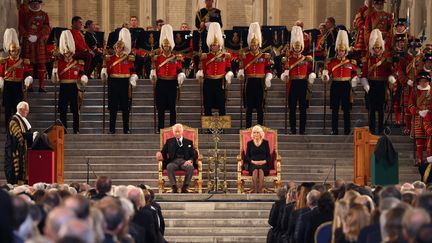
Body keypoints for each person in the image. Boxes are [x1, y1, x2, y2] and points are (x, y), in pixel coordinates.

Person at [101, 28, 138, 134]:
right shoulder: (110, 59)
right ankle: (112, 128)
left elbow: (132, 71)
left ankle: (126, 128)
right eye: (117, 47)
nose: (119, 49)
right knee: (113, 107)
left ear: (123, 48)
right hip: (113, 83)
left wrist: (133, 78)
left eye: (120, 47)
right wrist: (104, 72)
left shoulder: (128, 58)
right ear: (115, 48)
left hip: (124, 83)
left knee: (125, 107)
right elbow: (106, 72)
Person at [322, 30, 358, 135]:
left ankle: (347, 130)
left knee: (346, 109)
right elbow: (327, 73)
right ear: (337, 51)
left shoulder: (351, 62)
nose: (341, 52)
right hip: (336, 85)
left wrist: (355, 79)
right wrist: (325, 76)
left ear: (345, 51)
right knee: (335, 109)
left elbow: (354, 73)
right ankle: (334, 129)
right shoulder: (332, 62)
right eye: (339, 51)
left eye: (343, 51)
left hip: (346, 85)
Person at [52, 30, 89, 134]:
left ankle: (76, 128)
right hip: (63, 87)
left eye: (69, 52)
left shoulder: (78, 63)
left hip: (74, 87)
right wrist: (54, 71)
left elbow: (81, 73)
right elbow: (55, 80)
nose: (67, 53)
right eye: (65, 52)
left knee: (75, 110)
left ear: (72, 52)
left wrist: (83, 78)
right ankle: (63, 129)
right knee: (63, 110)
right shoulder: (58, 63)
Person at [150, 24, 186, 132]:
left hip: (171, 83)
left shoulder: (175, 58)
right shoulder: (157, 58)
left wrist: (181, 75)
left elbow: (179, 70)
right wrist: (152, 74)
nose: (166, 47)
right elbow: (154, 69)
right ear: (162, 46)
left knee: (172, 108)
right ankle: (160, 128)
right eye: (164, 46)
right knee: (160, 108)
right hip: (161, 83)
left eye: (168, 46)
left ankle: (172, 128)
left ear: (170, 46)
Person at [281, 26, 315, 135]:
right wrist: (285, 74)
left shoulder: (306, 59)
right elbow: (284, 72)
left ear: (301, 47)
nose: (296, 48)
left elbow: (310, 70)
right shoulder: (288, 59)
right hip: (293, 84)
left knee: (303, 109)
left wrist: (311, 76)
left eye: (298, 46)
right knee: (292, 109)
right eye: (295, 46)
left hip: (303, 84)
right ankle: (293, 129)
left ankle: (302, 130)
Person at [238, 22, 273, 128]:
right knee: (249, 108)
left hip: (260, 83)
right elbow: (241, 68)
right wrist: (240, 73)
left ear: (259, 45)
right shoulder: (245, 56)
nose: (254, 47)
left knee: (260, 107)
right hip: (249, 82)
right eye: (252, 45)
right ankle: (248, 127)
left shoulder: (265, 56)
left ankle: (260, 127)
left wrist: (268, 77)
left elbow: (268, 69)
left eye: (255, 45)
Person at [361, 29, 395, 135]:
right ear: (373, 48)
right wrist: (365, 84)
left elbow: (390, 70)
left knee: (380, 109)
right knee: (371, 109)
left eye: (379, 48)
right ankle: (371, 129)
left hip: (381, 85)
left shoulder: (385, 60)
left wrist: (390, 78)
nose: (377, 50)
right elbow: (364, 73)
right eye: (375, 48)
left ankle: (381, 129)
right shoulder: (369, 59)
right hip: (371, 85)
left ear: (381, 48)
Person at [196, 22, 233, 117]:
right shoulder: (205, 56)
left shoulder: (225, 56)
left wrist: (229, 73)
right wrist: (200, 73)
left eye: (216, 45)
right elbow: (203, 69)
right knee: (207, 105)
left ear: (219, 45)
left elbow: (228, 67)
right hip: (209, 82)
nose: (214, 47)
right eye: (212, 45)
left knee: (221, 105)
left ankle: (221, 127)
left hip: (220, 82)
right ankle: (209, 128)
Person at [0, 28, 33, 128]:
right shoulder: (4, 61)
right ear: (10, 52)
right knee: (8, 109)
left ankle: (17, 127)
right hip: (8, 86)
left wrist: (28, 78)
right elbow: (1, 74)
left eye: (16, 51)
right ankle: (7, 127)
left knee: (17, 109)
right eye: (12, 51)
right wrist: (1, 80)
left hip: (18, 86)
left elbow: (26, 73)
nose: (14, 52)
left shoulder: (22, 62)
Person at [18, 0, 50, 92]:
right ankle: (30, 85)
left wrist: (38, 35)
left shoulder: (44, 14)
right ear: (29, 4)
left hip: (40, 41)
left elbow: (47, 27)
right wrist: (26, 35)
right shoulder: (25, 14)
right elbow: (20, 26)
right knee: (29, 63)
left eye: (37, 3)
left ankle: (42, 86)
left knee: (41, 64)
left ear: (40, 4)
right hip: (28, 41)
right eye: (33, 3)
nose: (35, 5)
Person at [156, 123, 198, 193]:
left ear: (182, 132)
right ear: (173, 132)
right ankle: (174, 187)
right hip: (173, 162)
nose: (177, 133)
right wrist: (159, 153)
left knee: (190, 167)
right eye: (176, 132)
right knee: (169, 166)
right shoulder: (169, 141)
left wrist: (190, 160)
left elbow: (194, 154)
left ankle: (185, 186)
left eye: (179, 132)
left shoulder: (188, 142)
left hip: (184, 161)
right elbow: (163, 152)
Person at [4, 101, 38, 185]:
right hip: (15, 151)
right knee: (16, 173)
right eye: (26, 110)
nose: (28, 112)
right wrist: (32, 135)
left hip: (23, 151)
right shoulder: (14, 120)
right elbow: (18, 135)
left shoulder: (21, 120)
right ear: (21, 109)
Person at [408, 71, 431, 165]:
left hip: (430, 117)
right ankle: (420, 159)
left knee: (429, 140)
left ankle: (429, 159)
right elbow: (410, 106)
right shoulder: (415, 91)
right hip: (418, 118)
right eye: (421, 81)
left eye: (425, 81)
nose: (423, 82)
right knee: (419, 139)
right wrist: (418, 112)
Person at [244, 125, 271, 193]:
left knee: (261, 170)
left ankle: (260, 190)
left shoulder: (265, 143)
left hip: (264, 164)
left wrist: (264, 161)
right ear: (252, 134)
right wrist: (253, 162)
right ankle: (256, 190)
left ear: (261, 133)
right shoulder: (249, 143)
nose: (256, 134)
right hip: (253, 163)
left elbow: (268, 157)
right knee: (255, 170)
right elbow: (247, 157)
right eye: (254, 132)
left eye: (257, 132)